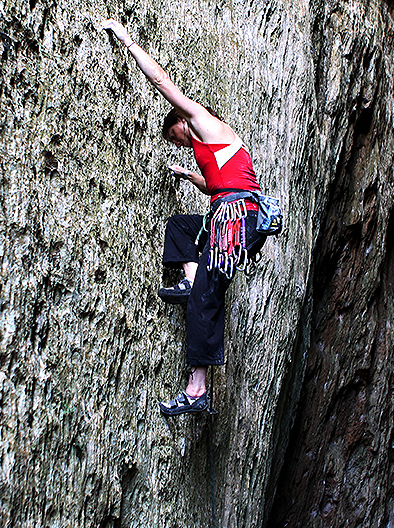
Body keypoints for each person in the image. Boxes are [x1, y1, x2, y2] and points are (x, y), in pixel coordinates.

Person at [102, 18, 266, 416]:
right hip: (232, 214)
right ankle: (190, 279)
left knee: (204, 301)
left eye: (175, 135)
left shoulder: (201, 121)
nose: (179, 140)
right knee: (180, 226)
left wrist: (126, 38)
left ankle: (197, 389)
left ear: (181, 122)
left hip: (235, 221)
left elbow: (161, 81)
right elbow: (218, 187)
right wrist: (190, 175)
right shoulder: (216, 150)